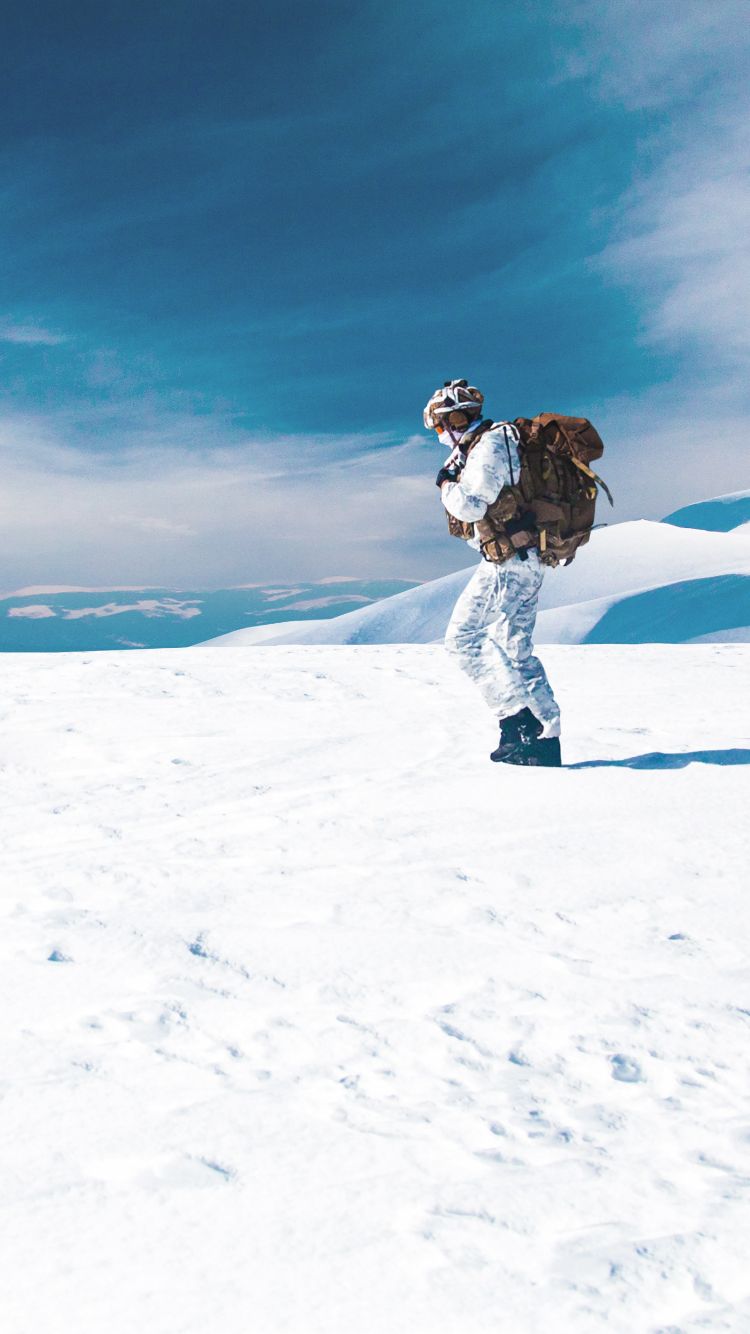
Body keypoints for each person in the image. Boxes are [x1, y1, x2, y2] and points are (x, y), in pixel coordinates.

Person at [424, 379, 562, 767]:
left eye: (440, 424)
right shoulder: (495, 443)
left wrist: (446, 484)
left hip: (506, 563)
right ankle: (545, 740)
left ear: (455, 417)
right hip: (524, 559)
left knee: (463, 638)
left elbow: (471, 506)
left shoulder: (490, 444)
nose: (440, 433)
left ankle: (517, 720)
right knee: (516, 650)